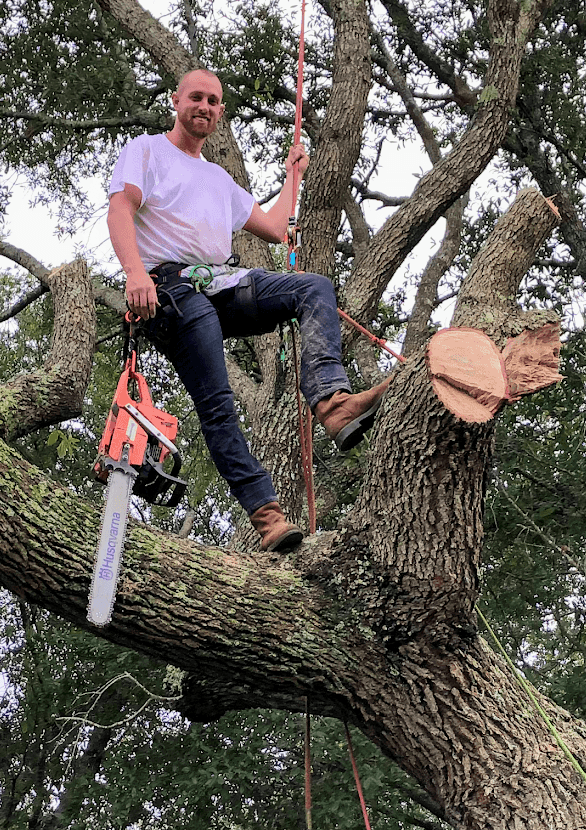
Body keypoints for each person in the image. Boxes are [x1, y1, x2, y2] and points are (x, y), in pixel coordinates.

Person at [107, 68, 389, 553]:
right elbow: (120, 209)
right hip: (170, 289)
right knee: (218, 403)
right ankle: (267, 516)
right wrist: (135, 273)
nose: (205, 106)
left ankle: (332, 402)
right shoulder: (147, 150)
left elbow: (277, 228)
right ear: (177, 102)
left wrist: (292, 176)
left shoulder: (219, 179)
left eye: (214, 101)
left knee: (313, 288)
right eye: (196, 97)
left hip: (221, 283)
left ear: (220, 112)